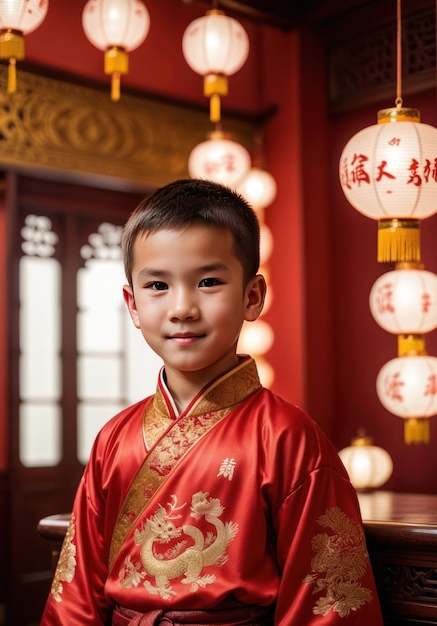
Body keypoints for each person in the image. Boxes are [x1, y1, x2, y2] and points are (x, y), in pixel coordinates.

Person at [40, 178, 384, 625]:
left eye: (207, 281)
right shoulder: (115, 438)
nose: (182, 307)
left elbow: (327, 604)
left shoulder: (287, 437)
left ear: (252, 296)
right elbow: (76, 594)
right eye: (157, 286)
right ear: (133, 305)